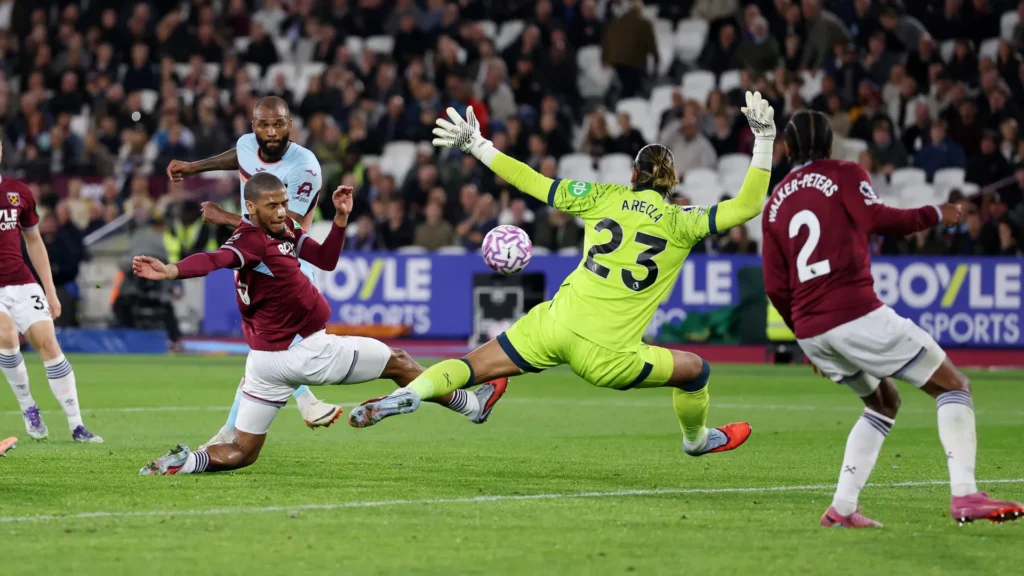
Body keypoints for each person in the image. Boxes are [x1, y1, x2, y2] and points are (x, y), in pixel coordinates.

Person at [347, 92, 778, 459]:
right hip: (608, 356)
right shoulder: (684, 222)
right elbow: (746, 207)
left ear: (632, 177)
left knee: (468, 365)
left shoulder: (601, 197)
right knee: (697, 370)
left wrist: (478, 145)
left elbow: (531, 181)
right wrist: (764, 140)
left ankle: (412, 394)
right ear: (672, 184)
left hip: (554, 324)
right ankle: (697, 440)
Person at [135, 175, 507, 475]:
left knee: (243, 452)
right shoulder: (250, 241)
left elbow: (326, 260)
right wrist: (171, 270)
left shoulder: (283, 233)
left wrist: (341, 219)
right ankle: (471, 406)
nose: (282, 211)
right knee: (398, 360)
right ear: (250, 207)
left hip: (264, 363)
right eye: (272, 205)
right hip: (307, 352)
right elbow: (214, 259)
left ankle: (187, 462)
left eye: (283, 202)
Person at [761, 110, 1024, 527]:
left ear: (788, 150)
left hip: (812, 329)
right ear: (831, 146)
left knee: (883, 402)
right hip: (854, 313)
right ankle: (966, 495)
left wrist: (804, 338)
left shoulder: (774, 203)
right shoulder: (846, 172)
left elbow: (775, 286)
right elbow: (876, 220)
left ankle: (842, 508)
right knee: (953, 386)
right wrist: (936, 213)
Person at [165, 96, 344, 446]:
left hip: (286, 263)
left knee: (268, 353)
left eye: (279, 124)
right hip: (251, 262)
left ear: (290, 125)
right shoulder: (248, 145)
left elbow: (284, 227)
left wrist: (226, 217)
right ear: (253, 127)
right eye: (263, 125)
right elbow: (240, 154)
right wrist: (193, 167)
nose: (272, 132)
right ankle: (295, 405)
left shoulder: (304, 166)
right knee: (265, 353)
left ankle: (289, 407)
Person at [0, 137, 102, 443]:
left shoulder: (18, 193)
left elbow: (34, 241)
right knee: (5, 335)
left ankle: (77, 425)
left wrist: (50, 290)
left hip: (21, 281)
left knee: (47, 343)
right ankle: (28, 407)